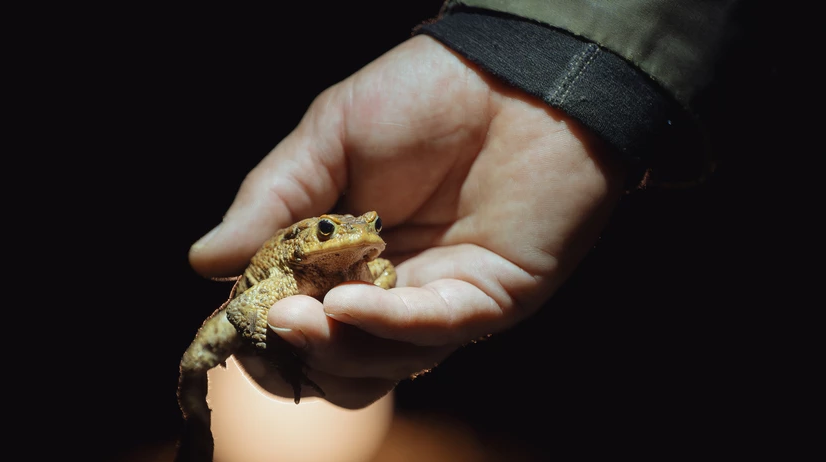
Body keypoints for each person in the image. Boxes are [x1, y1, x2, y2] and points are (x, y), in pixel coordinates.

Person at [186, 1, 744, 401]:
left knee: (348, 328)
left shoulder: (364, 262)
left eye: (367, 227)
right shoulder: (289, 268)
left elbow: (382, 273)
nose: (357, 237)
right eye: (334, 231)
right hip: (270, 288)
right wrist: (270, 344)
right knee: (196, 362)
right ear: (312, 240)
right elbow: (242, 306)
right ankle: (194, 453)